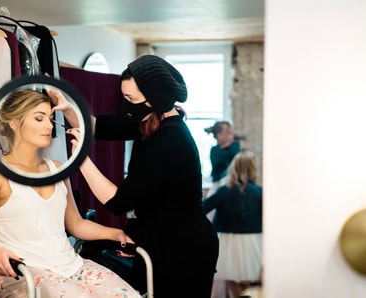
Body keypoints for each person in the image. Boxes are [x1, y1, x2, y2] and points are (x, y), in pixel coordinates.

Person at [59, 54, 219, 297]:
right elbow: (95, 126)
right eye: (124, 97)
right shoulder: (148, 119)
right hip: (159, 240)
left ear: (154, 99)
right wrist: (67, 105)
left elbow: (118, 201)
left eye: (131, 99)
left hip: (183, 247)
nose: (126, 105)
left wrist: (81, 158)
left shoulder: (170, 140)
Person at [0, 89, 142, 298]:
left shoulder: (58, 169)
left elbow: (76, 224)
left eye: (50, 119)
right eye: (39, 118)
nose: (49, 126)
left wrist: (115, 234)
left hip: (72, 266)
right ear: (14, 123)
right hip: (22, 273)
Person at [203, 151, 263, 298]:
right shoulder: (259, 192)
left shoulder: (224, 191)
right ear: (252, 168)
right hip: (253, 239)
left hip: (228, 239)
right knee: (246, 277)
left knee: (232, 276)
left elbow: (203, 208)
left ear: (234, 167)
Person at [205, 121, 241, 197]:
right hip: (218, 184)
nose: (232, 136)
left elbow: (235, 154)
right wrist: (228, 146)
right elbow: (219, 162)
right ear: (219, 135)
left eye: (232, 133)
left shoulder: (235, 146)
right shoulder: (214, 150)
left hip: (234, 184)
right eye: (229, 133)